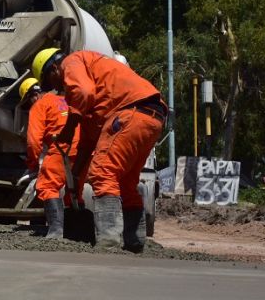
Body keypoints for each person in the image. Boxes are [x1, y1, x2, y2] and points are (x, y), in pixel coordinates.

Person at [32, 49, 166, 252]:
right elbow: (87, 142)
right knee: (126, 181)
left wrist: (68, 130)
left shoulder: (71, 61)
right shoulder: (97, 95)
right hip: (153, 116)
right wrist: (75, 176)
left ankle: (109, 241)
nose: (56, 89)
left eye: (51, 83)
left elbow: (83, 92)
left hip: (130, 111)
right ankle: (135, 241)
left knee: (103, 173)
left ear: (54, 69)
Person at [19, 77, 82, 239]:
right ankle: (76, 232)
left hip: (62, 148)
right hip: (83, 149)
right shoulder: (64, 100)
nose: (29, 107)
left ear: (32, 96)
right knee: (73, 190)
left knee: (47, 186)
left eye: (27, 104)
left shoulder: (39, 105)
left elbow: (33, 142)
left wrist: (33, 164)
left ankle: (55, 232)